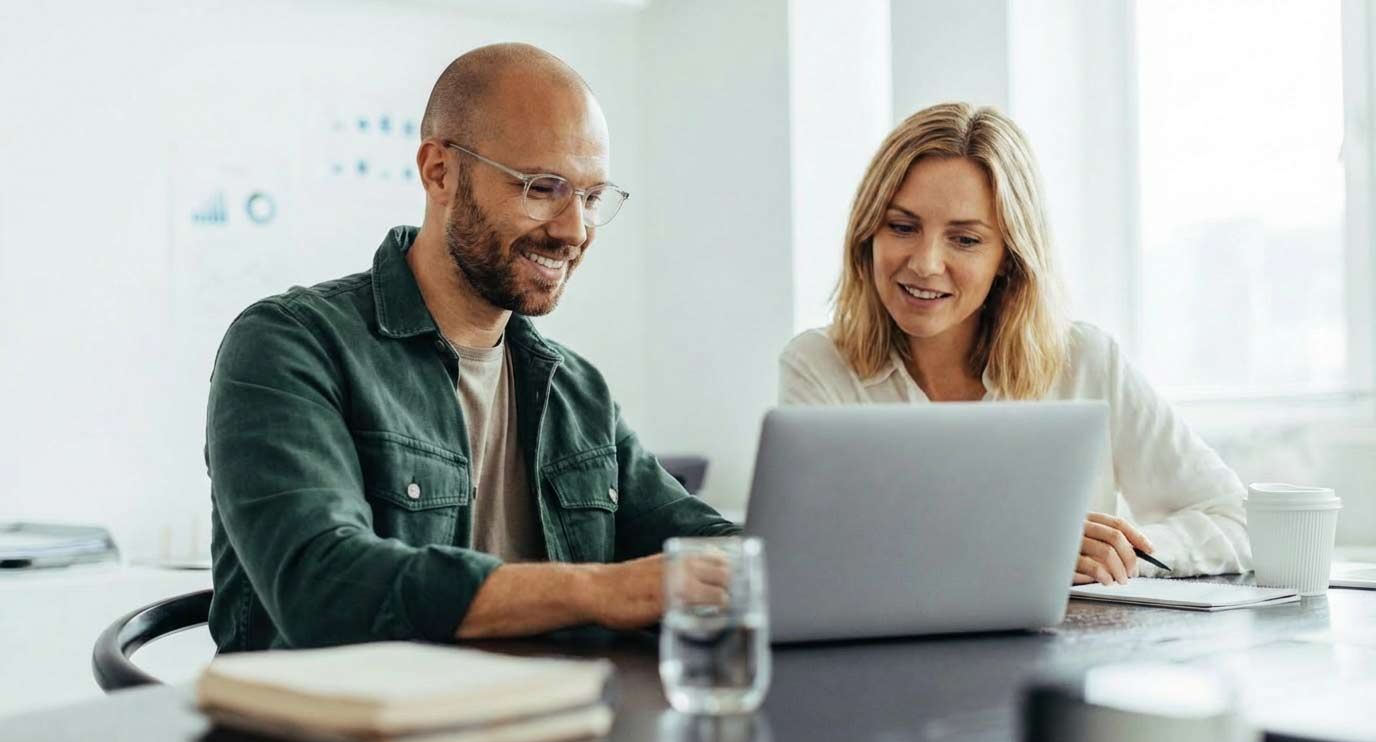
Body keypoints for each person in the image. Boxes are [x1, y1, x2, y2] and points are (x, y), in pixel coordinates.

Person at [207, 43, 737, 652]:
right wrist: (599, 591)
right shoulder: (289, 346)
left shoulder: (576, 390)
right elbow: (325, 587)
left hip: (548, 728)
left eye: (591, 198)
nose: (574, 231)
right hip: (341, 738)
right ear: (439, 172)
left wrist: (778, 560)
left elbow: (699, 540)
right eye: (542, 188)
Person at [779, 102, 1249, 585]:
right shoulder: (818, 365)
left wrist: (1123, 551)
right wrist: (1022, 547)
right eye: (902, 227)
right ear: (867, 232)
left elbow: (1233, 518)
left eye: (964, 239)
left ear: (1008, 257)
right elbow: (809, 552)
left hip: (1061, 650)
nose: (924, 263)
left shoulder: (1085, 361)